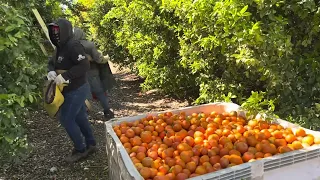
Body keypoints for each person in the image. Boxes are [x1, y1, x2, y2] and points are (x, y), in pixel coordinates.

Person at [47, 18, 97, 163]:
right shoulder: (59, 47)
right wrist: (51, 71)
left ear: (65, 30)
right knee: (80, 117)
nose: (55, 34)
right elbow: (51, 62)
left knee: (66, 119)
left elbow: (84, 65)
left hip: (77, 88)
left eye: (57, 31)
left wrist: (66, 76)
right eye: (53, 31)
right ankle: (91, 144)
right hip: (66, 90)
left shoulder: (73, 45)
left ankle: (80, 149)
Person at [73, 27, 115, 119]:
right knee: (99, 92)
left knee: (81, 93)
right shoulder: (89, 45)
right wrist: (106, 58)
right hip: (92, 72)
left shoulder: (70, 47)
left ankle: (83, 113)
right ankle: (107, 111)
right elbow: (98, 59)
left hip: (78, 74)